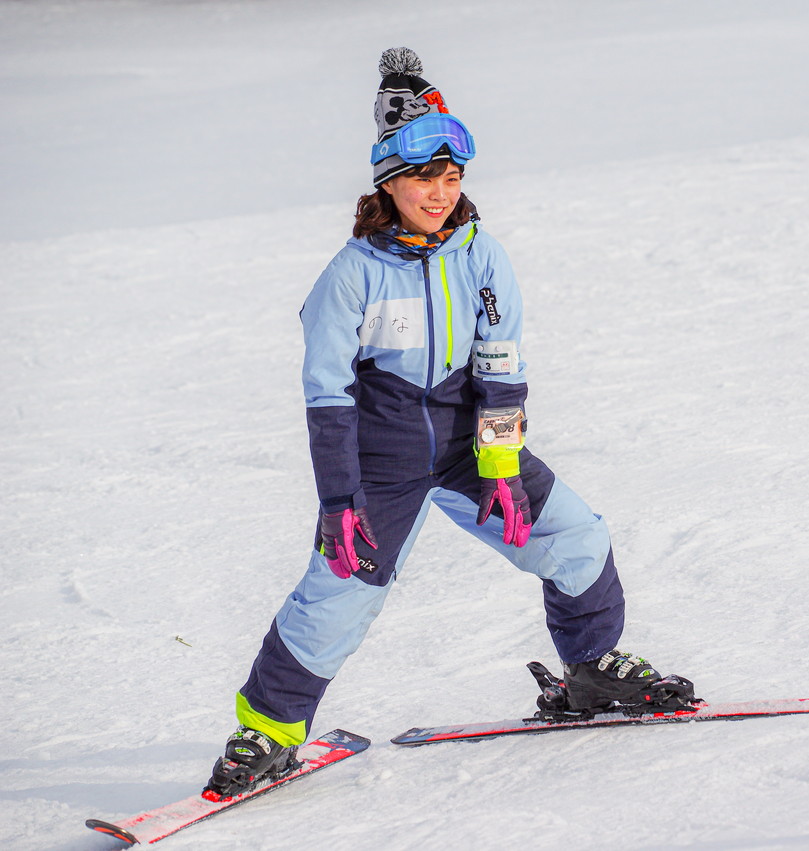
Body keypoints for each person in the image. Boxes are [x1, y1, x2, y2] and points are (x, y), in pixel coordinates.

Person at [202, 48, 691, 799]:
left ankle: (592, 668)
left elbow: (500, 371)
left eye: (453, 177)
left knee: (577, 536)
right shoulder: (352, 274)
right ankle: (266, 731)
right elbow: (327, 394)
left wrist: (499, 468)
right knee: (338, 593)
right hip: (381, 459)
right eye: (425, 178)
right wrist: (340, 500)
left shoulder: (480, 255)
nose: (440, 193)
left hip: (468, 446)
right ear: (389, 182)